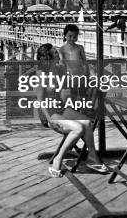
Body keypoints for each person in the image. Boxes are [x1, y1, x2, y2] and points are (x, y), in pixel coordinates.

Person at [34, 44, 108, 178]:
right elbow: (40, 101)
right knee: (78, 129)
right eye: (55, 53)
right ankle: (58, 159)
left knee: (87, 123)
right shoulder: (41, 75)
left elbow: (79, 73)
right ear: (49, 57)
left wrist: (92, 75)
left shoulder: (59, 69)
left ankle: (92, 157)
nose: (58, 54)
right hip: (49, 113)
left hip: (60, 108)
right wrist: (50, 120)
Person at [59, 24, 90, 101]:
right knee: (73, 94)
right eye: (70, 36)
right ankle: (74, 110)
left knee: (83, 93)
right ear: (65, 35)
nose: (72, 38)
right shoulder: (62, 49)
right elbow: (62, 64)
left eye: (75, 36)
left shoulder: (80, 47)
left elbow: (85, 62)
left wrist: (87, 73)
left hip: (81, 74)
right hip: (70, 76)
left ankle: (83, 110)